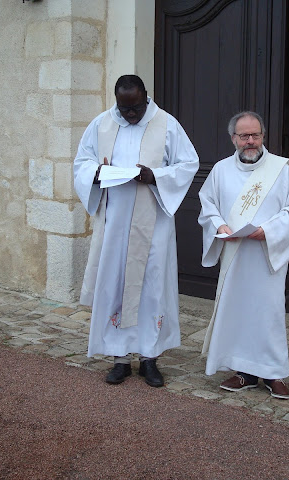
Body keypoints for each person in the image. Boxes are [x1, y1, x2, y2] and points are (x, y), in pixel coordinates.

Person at [74, 74, 199, 387]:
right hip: (114, 223)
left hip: (153, 224)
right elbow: (81, 163)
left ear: (147, 97)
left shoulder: (167, 123)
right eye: (124, 108)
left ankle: (149, 359)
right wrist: (97, 171)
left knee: (151, 287)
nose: (130, 115)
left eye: (136, 108)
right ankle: (119, 359)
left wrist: (154, 176)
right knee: (115, 286)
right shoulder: (101, 124)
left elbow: (188, 164)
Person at [197, 111, 289, 399]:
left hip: (265, 255)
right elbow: (207, 203)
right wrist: (219, 224)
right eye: (244, 136)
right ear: (233, 138)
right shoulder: (220, 170)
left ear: (262, 136)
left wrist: (268, 230)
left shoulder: (281, 170)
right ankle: (243, 372)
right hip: (234, 254)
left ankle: (273, 373)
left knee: (267, 313)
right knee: (238, 312)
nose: (250, 141)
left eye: (255, 135)